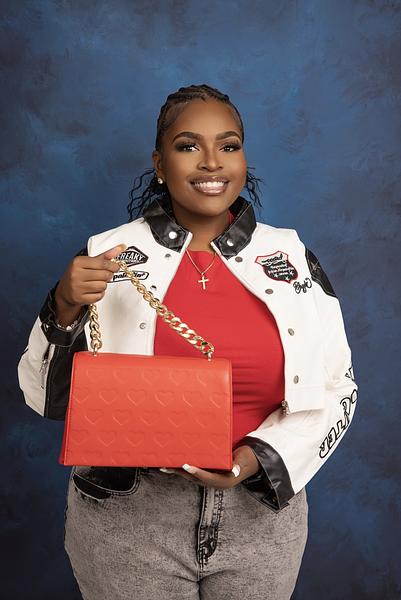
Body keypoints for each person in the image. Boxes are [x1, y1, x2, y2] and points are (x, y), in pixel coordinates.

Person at [17, 83, 358, 600]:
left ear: (243, 159)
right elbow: (47, 401)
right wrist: (63, 306)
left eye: (228, 145)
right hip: (127, 516)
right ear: (159, 164)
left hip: (261, 515)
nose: (211, 162)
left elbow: (340, 388)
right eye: (187, 145)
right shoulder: (107, 254)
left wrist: (255, 460)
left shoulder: (290, 259)